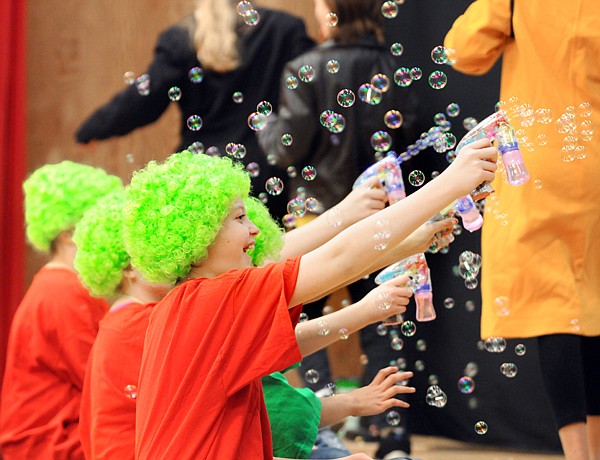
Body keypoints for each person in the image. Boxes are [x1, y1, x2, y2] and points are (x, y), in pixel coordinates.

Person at [122, 140, 496, 459]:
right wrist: (450, 182)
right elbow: (337, 259)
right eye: (239, 217)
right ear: (198, 235)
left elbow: (328, 273)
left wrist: (410, 241)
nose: (253, 227)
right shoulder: (215, 298)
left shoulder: (182, 306)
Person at [257, 1, 418, 455]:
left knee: (307, 321)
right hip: (387, 214)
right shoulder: (392, 64)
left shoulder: (305, 67)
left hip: (320, 214)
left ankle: (321, 430)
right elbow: (408, 135)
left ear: (329, 13)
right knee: (383, 314)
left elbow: (288, 148)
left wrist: (268, 125)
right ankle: (393, 435)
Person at [444, 2, 600, 460]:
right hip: (594, 157)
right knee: (593, 308)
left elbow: (462, 50)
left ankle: (578, 455)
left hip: (538, 161)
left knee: (555, 309)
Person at [75, 0, 314, 219]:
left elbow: (144, 100)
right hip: (266, 175)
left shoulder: (180, 38)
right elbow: (312, 92)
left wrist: (93, 128)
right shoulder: (285, 30)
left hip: (200, 179)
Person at [0, 161, 122, 459]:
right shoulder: (63, 293)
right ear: (69, 234)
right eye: (99, 224)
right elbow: (104, 378)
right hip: (47, 446)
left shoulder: (60, 286)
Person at [72, 190, 173, 460]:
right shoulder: (140, 323)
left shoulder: (122, 317)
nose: (177, 258)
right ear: (128, 268)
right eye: (159, 251)